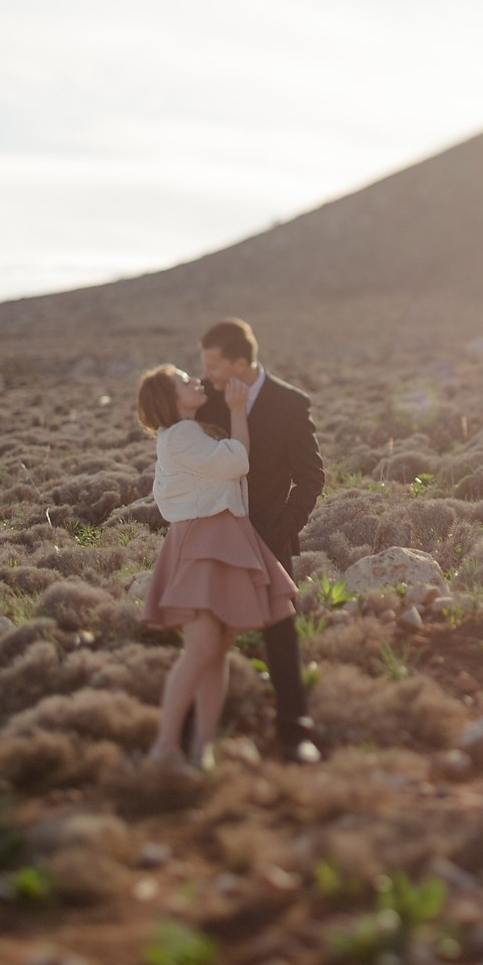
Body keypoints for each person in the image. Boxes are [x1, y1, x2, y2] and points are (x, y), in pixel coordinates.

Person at [134, 363, 298, 768]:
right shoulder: (182, 434)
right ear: (167, 398)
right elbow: (235, 464)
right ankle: (166, 748)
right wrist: (238, 410)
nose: (194, 380)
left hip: (220, 536)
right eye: (182, 380)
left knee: (217, 651)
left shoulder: (188, 431)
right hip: (204, 540)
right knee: (203, 648)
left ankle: (200, 748)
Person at [196, 318, 326, 764]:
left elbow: (311, 477)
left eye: (213, 365)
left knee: (281, 634)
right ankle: (199, 736)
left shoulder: (290, 403)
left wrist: (283, 527)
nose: (206, 374)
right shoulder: (204, 398)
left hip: (270, 537)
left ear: (238, 363)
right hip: (213, 536)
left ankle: (295, 731)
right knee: (205, 634)